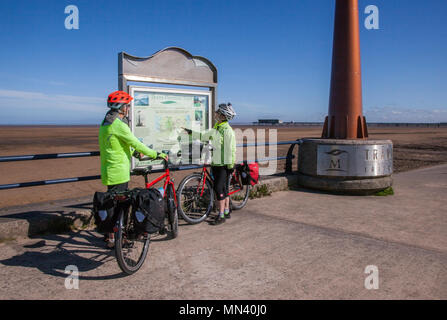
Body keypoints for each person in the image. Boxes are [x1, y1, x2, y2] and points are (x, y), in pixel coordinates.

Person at [99, 90, 168, 248]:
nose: (128, 108)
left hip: (109, 170)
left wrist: (134, 153)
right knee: (121, 207)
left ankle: (110, 236)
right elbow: (135, 142)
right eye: (127, 106)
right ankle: (117, 239)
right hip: (119, 172)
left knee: (112, 204)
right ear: (122, 107)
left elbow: (118, 145)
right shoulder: (118, 125)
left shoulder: (106, 122)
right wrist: (155, 154)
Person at [184, 103, 237, 225]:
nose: (216, 114)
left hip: (223, 164)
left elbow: (230, 149)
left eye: (218, 112)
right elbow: (204, 136)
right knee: (223, 188)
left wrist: (230, 166)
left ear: (223, 116)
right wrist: (191, 132)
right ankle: (227, 211)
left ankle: (221, 215)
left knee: (219, 189)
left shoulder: (227, 131)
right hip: (216, 163)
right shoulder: (217, 127)